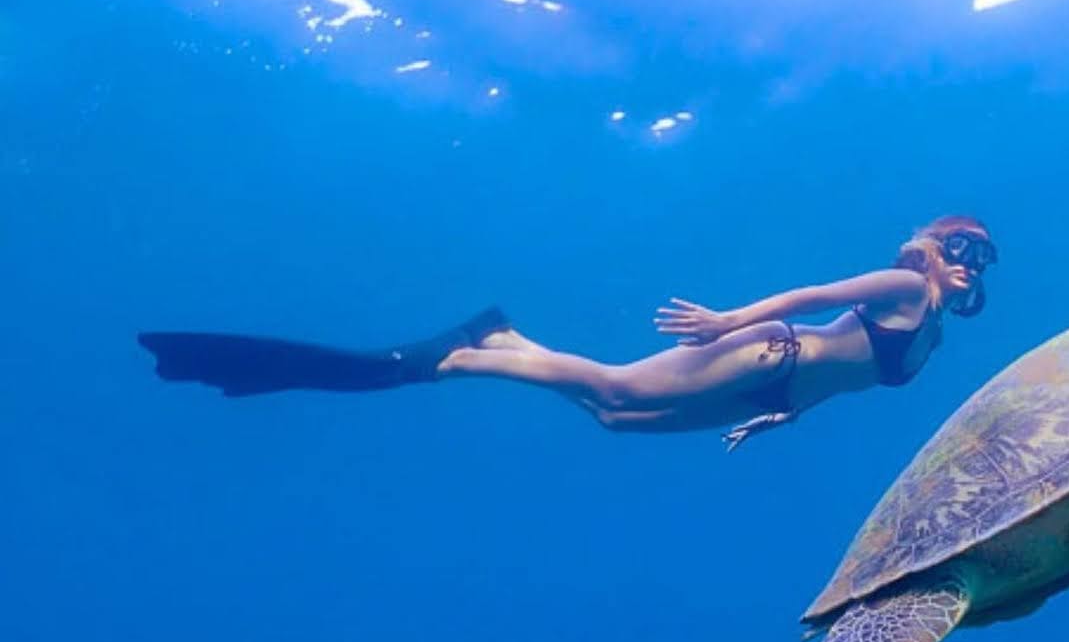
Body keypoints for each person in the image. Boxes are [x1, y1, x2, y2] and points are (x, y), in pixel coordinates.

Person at [138, 216, 997, 450]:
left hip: (782, 388)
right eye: (962, 250)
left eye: (981, 261)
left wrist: (788, 415)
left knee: (615, 421)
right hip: (768, 347)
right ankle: (468, 357)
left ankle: (504, 340)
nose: (970, 267)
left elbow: (851, 376)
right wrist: (733, 319)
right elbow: (819, 292)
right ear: (934, 249)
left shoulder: (933, 340)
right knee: (619, 387)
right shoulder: (902, 288)